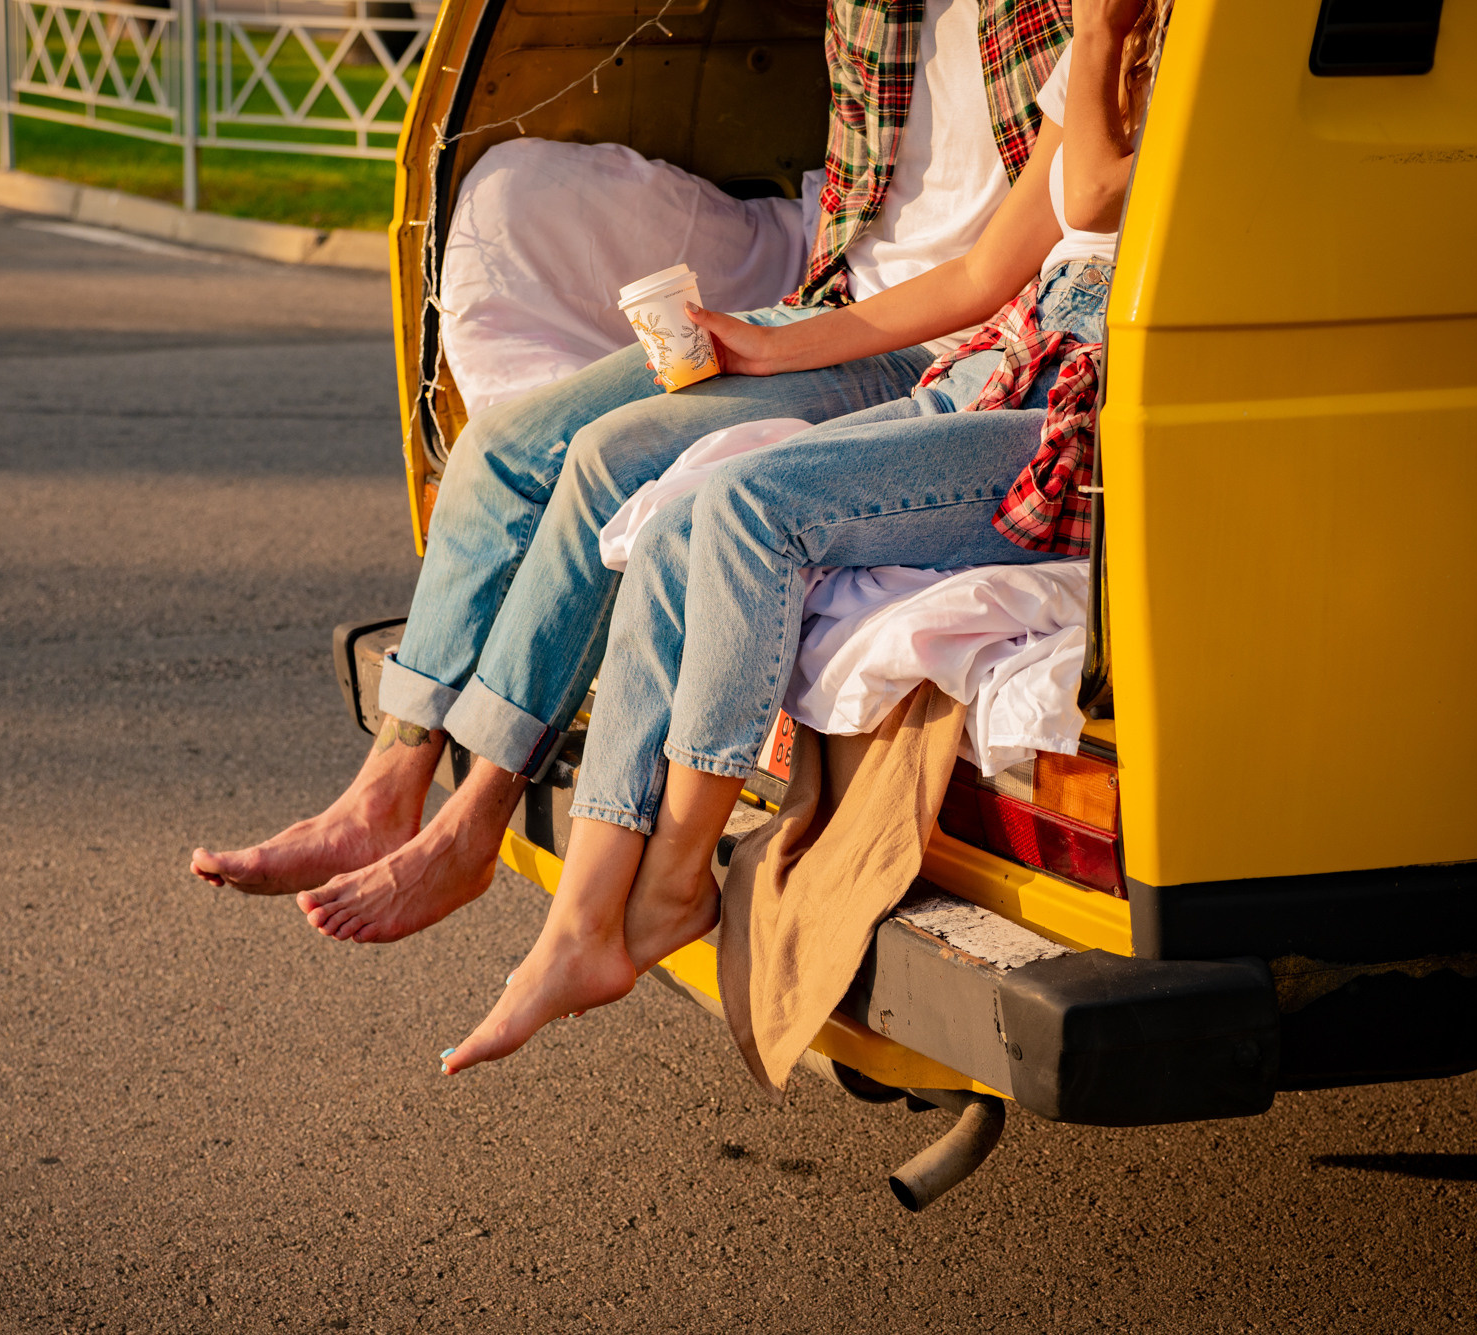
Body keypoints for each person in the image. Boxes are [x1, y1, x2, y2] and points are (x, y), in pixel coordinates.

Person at [191, 0, 1074, 946]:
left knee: (611, 461)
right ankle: (385, 788)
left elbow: (1024, 256)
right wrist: (781, 324)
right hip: (832, 302)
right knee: (502, 448)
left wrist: (781, 349)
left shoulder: (1061, 22)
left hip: (944, 348)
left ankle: (474, 821)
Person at [442, 0, 1171, 1075]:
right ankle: (581, 923)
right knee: (685, 509)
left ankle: (673, 883)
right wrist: (770, 347)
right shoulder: (1097, 57)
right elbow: (981, 279)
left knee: (751, 510)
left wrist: (1105, 34)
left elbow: (1107, 193)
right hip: (999, 367)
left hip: (1088, 409)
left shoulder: (1206, 50)